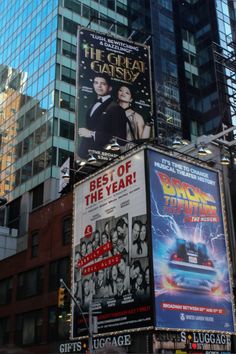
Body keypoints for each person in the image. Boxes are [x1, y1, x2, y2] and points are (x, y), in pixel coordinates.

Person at [78, 73, 127, 158]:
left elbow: (121, 139)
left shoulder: (116, 109)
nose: (99, 86)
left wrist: (92, 134)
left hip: (104, 157)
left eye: (103, 84)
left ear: (110, 88)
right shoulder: (93, 104)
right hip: (85, 155)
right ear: (93, 84)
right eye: (96, 83)